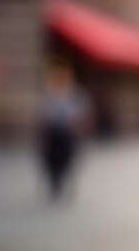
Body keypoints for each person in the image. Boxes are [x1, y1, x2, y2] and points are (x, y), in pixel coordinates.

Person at [38, 62, 91, 200]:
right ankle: (55, 184)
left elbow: (83, 113)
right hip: (53, 132)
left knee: (68, 160)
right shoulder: (49, 94)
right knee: (52, 161)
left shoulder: (76, 94)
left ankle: (66, 182)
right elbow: (43, 113)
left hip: (69, 132)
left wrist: (80, 127)